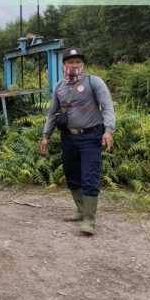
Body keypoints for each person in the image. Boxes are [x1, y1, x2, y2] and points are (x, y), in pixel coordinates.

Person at [40, 47, 115, 235]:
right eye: (70, 62)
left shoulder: (93, 82)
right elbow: (52, 114)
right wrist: (45, 136)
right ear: (64, 64)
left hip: (91, 136)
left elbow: (107, 107)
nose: (75, 65)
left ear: (82, 64)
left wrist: (109, 130)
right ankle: (81, 210)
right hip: (68, 138)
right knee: (72, 175)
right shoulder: (59, 87)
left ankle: (89, 219)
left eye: (78, 62)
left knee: (90, 175)